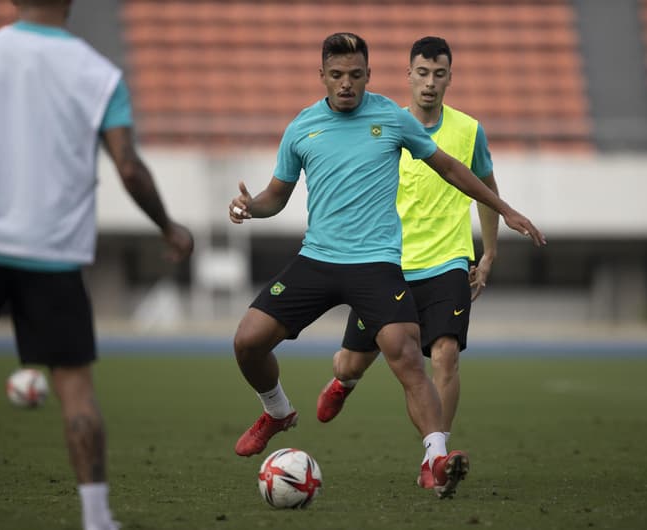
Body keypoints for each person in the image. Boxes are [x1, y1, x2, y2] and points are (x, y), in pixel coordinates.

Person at [228, 32, 545, 499]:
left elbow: (453, 168)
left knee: (407, 354)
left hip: (375, 264)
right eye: (336, 75)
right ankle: (277, 412)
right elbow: (277, 196)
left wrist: (506, 208)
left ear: (369, 76)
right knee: (247, 342)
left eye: (356, 75)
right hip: (317, 258)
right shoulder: (301, 127)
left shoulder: (391, 119)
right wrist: (249, 207)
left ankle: (435, 458)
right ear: (322, 76)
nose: (346, 84)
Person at [0, 2, 194, 529]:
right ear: (71, 2)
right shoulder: (99, 75)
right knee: (75, 390)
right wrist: (167, 226)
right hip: (52, 252)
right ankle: (96, 517)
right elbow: (128, 166)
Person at [316, 36, 501, 489]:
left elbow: (486, 190)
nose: (430, 83)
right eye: (422, 73)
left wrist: (489, 251)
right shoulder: (383, 125)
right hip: (387, 264)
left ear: (450, 78)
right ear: (408, 75)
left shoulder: (469, 131)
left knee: (446, 355)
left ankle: (435, 459)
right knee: (350, 364)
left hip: (447, 262)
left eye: (439, 74)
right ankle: (343, 383)